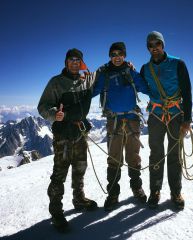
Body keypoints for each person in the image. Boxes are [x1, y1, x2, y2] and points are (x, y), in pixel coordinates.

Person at [38, 48, 97, 232]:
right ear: (66, 62)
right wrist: (55, 114)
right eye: (71, 59)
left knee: (80, 168)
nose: (74, 62)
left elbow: (105, 71)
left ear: (81, 63)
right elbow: (43, 106)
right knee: (60, 174)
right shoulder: (56, 83)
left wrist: (125, 64)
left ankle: (79, 199)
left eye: (77, 60)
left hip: (80, 132)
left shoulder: (85, 80)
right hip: (63, 134)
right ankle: (56, 211)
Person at [93, 42, 149, 211]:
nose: (117, 57)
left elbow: (146, 87)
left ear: (124, 56)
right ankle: (113, 193)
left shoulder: (130, 72)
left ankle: (136, 187)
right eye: (113, 54)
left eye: (120, 54)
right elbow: (91, 91)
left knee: (133, 156)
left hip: (131, 119)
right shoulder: (104, 74)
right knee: (114, 157)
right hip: (115, 121)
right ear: (110, 56)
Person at [140, 31, 192, 210]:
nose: (154, 48)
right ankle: (155, 191)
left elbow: (187, 91)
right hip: (155, 115)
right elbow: (138, 84)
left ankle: (175, 191)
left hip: (176, 114)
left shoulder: (178, 63)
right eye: (151, 45)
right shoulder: (145, 69)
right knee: (156, 153)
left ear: (163, 45)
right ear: (148, 48)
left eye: (157, 44)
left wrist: (188, 119)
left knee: (174, 153)